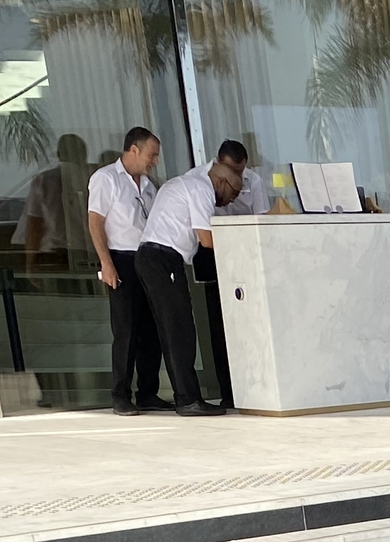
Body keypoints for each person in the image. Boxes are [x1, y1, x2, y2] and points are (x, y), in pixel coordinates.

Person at [133, 155, 240, 416]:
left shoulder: (181, 183)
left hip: (150, 256)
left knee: (170, 330)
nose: (230, 201)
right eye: (232, 194)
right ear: (222, 182)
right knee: (180, 330)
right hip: (164, 258)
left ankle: (185, 396)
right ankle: (188, 399)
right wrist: (241, 249)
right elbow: (206, 239)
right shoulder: (201, 189)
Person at [87, 127, 163, 414]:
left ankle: (148, 391)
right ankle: (121, 393)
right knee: (126, 329)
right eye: (151, 154)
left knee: (152, 328)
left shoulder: (148, 185)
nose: (154, 160)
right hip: (121, 257)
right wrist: (106, 262)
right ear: (134, 150)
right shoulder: (106, 179)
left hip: (146, 258)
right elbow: (96, 222)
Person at [193, 139, 266, 406]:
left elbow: (262, 219)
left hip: (246, 253)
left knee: (251, 323)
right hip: (212, 252)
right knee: (218, 325)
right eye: (230, 171)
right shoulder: (197, 180)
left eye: (240, 171)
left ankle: (255, 388)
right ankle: (227, 391)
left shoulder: (254, 181)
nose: (235, 178)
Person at [15, 134, 93, 269]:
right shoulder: (93, 178)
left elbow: (35, 223)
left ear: (58, 154)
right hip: (87, 251)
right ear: (83, 154)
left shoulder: (44, 180)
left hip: (53, 254)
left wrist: (30, 262)